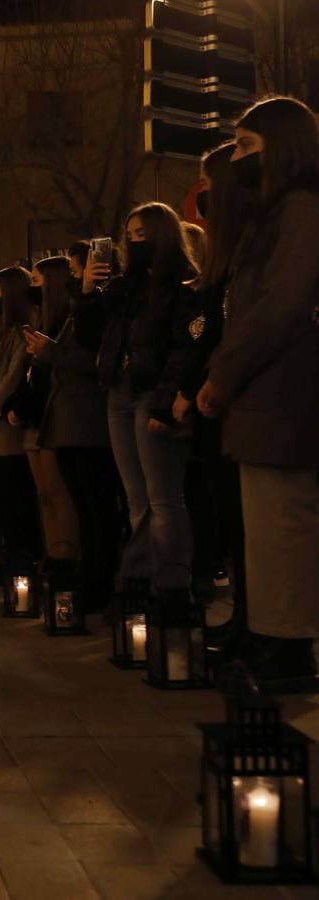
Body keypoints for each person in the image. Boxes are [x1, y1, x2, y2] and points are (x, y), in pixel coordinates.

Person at [197, 96, 319, 688]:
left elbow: (280, 306)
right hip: (262, 398)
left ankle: (288, 647)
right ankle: (271, 635)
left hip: (282, 395)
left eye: (246, 146)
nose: (237, 158)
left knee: (284, 531)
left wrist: (224, 372)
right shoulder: (274, 217)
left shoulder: (299, 210)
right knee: (266, 534)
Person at [76, 202, 197, 602]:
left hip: (151, 392)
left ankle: (170, 585)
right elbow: (92, 336)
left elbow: (183, 347)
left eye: (142, 234)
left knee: (163, 497)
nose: (134, 241)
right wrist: (89, 292)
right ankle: (141, 581)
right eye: (129, 235)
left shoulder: (181, 283)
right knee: (136, 497)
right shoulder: (124, 287)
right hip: (120, 392)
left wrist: (165, 402)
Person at [178, 142, 252, 636]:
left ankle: (262, 621)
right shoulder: (220, 261)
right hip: (215, 410)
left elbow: (242, 328)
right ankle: (250, 614)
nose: (201, 193)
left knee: (249, 525)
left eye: (207, 183)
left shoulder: (253, 249)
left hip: (242, 407)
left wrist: (213, 381)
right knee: (232, 519)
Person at [23, 257, 123, 613]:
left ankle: (100, 582)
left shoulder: (94, 311)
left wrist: (49, 352)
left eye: (79, 268)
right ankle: (89, 578)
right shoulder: (70, 315)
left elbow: (91, 359)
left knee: (97, 510)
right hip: (68, 423)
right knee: (84, 506)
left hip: (87, 424)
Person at [11, 259, 81, 569]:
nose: (32, 288)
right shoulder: (41, 322)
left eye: (37, 281)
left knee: (57, 492)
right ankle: (52, 552)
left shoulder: (65, 322)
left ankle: (64, 554)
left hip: (53, 416)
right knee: (44, 495)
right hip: (34, 418)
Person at [0, 267, 42, 579]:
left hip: (7, 433)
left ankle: (21, 559)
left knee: (16, 501)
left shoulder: (21, 335)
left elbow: (12, 380)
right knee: (3, 501)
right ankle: (9, 555)